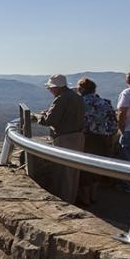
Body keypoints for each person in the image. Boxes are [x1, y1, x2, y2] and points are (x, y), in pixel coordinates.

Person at [32, 74, 84, 204]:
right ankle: (72, 198)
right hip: (78, 137)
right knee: (73, 172)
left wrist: (38, 116)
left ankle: (64, 202)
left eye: (51, 88)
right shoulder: (77, 97)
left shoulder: (61, 99)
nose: (50, 90)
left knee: (63, 173)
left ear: (57, 88)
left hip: (65, 138)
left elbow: (50, 120)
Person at [76, 77, 117, 205]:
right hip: (103, 139)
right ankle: (94, 195)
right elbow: (113, 123)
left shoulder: (80, 103)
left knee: (84, 168)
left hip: (86, 138)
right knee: (97, 167)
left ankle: (85, 199)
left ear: (82, 89)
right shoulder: (105, 102)